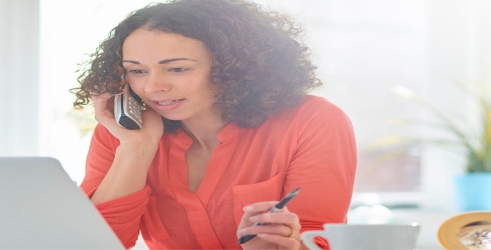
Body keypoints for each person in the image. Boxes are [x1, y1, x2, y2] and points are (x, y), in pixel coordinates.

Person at [71, 0, 357, 249]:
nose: (153, 86)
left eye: (177, 68)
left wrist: (283, 245)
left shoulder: (312, 121)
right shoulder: (123, 136)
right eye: (137, 71)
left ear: (233, 67)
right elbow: (92, 245)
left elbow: (318, 238)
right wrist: (136, 148)